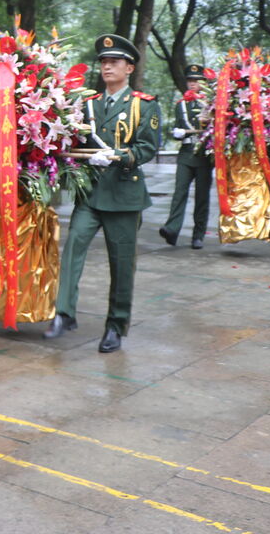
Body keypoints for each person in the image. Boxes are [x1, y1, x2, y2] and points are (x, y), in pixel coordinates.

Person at [44, 34, 160, 353]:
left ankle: (115, 325)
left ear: (129, 68)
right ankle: (64, 313)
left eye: (114, 62)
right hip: (92, 194)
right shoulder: (88, 104)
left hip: (124, 196)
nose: (107, 66)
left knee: (121, 265)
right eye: (104, 62)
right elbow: (76, 140)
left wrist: (117, 157)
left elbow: (147, 147)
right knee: (72, 249)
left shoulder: (142, 105)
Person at [159, 64, 213, 249]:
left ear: (204, 83)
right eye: (190, 80)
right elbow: (176, 128)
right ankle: (172, 229)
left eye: (197, 81)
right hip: (186, 153)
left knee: (202, 196)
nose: (192, 84)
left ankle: (198, 235)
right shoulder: (181, 105)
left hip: (204, 154)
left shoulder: (211, 104)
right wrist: (177, 133)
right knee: (179, 192)